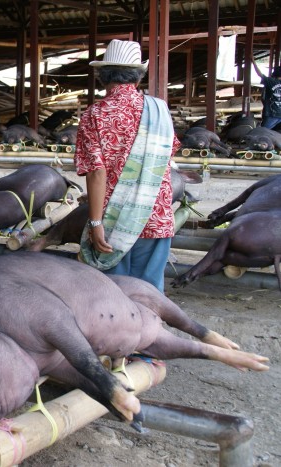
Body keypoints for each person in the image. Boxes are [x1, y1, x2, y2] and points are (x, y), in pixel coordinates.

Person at [75, 39, 180, 293]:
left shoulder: (95, 115)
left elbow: (97, 173)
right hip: (155, 215)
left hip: (114, 219)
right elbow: (168, 153)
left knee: (113, 295)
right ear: (137, 77)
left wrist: (95, 223)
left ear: (103, 75)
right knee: (150, 295)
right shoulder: (160, 110)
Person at [251, 59, 281, 129]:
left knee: (261, 133)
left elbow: (259, 74)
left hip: (271, 115)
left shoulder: (271, 81)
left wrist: (253, 61)